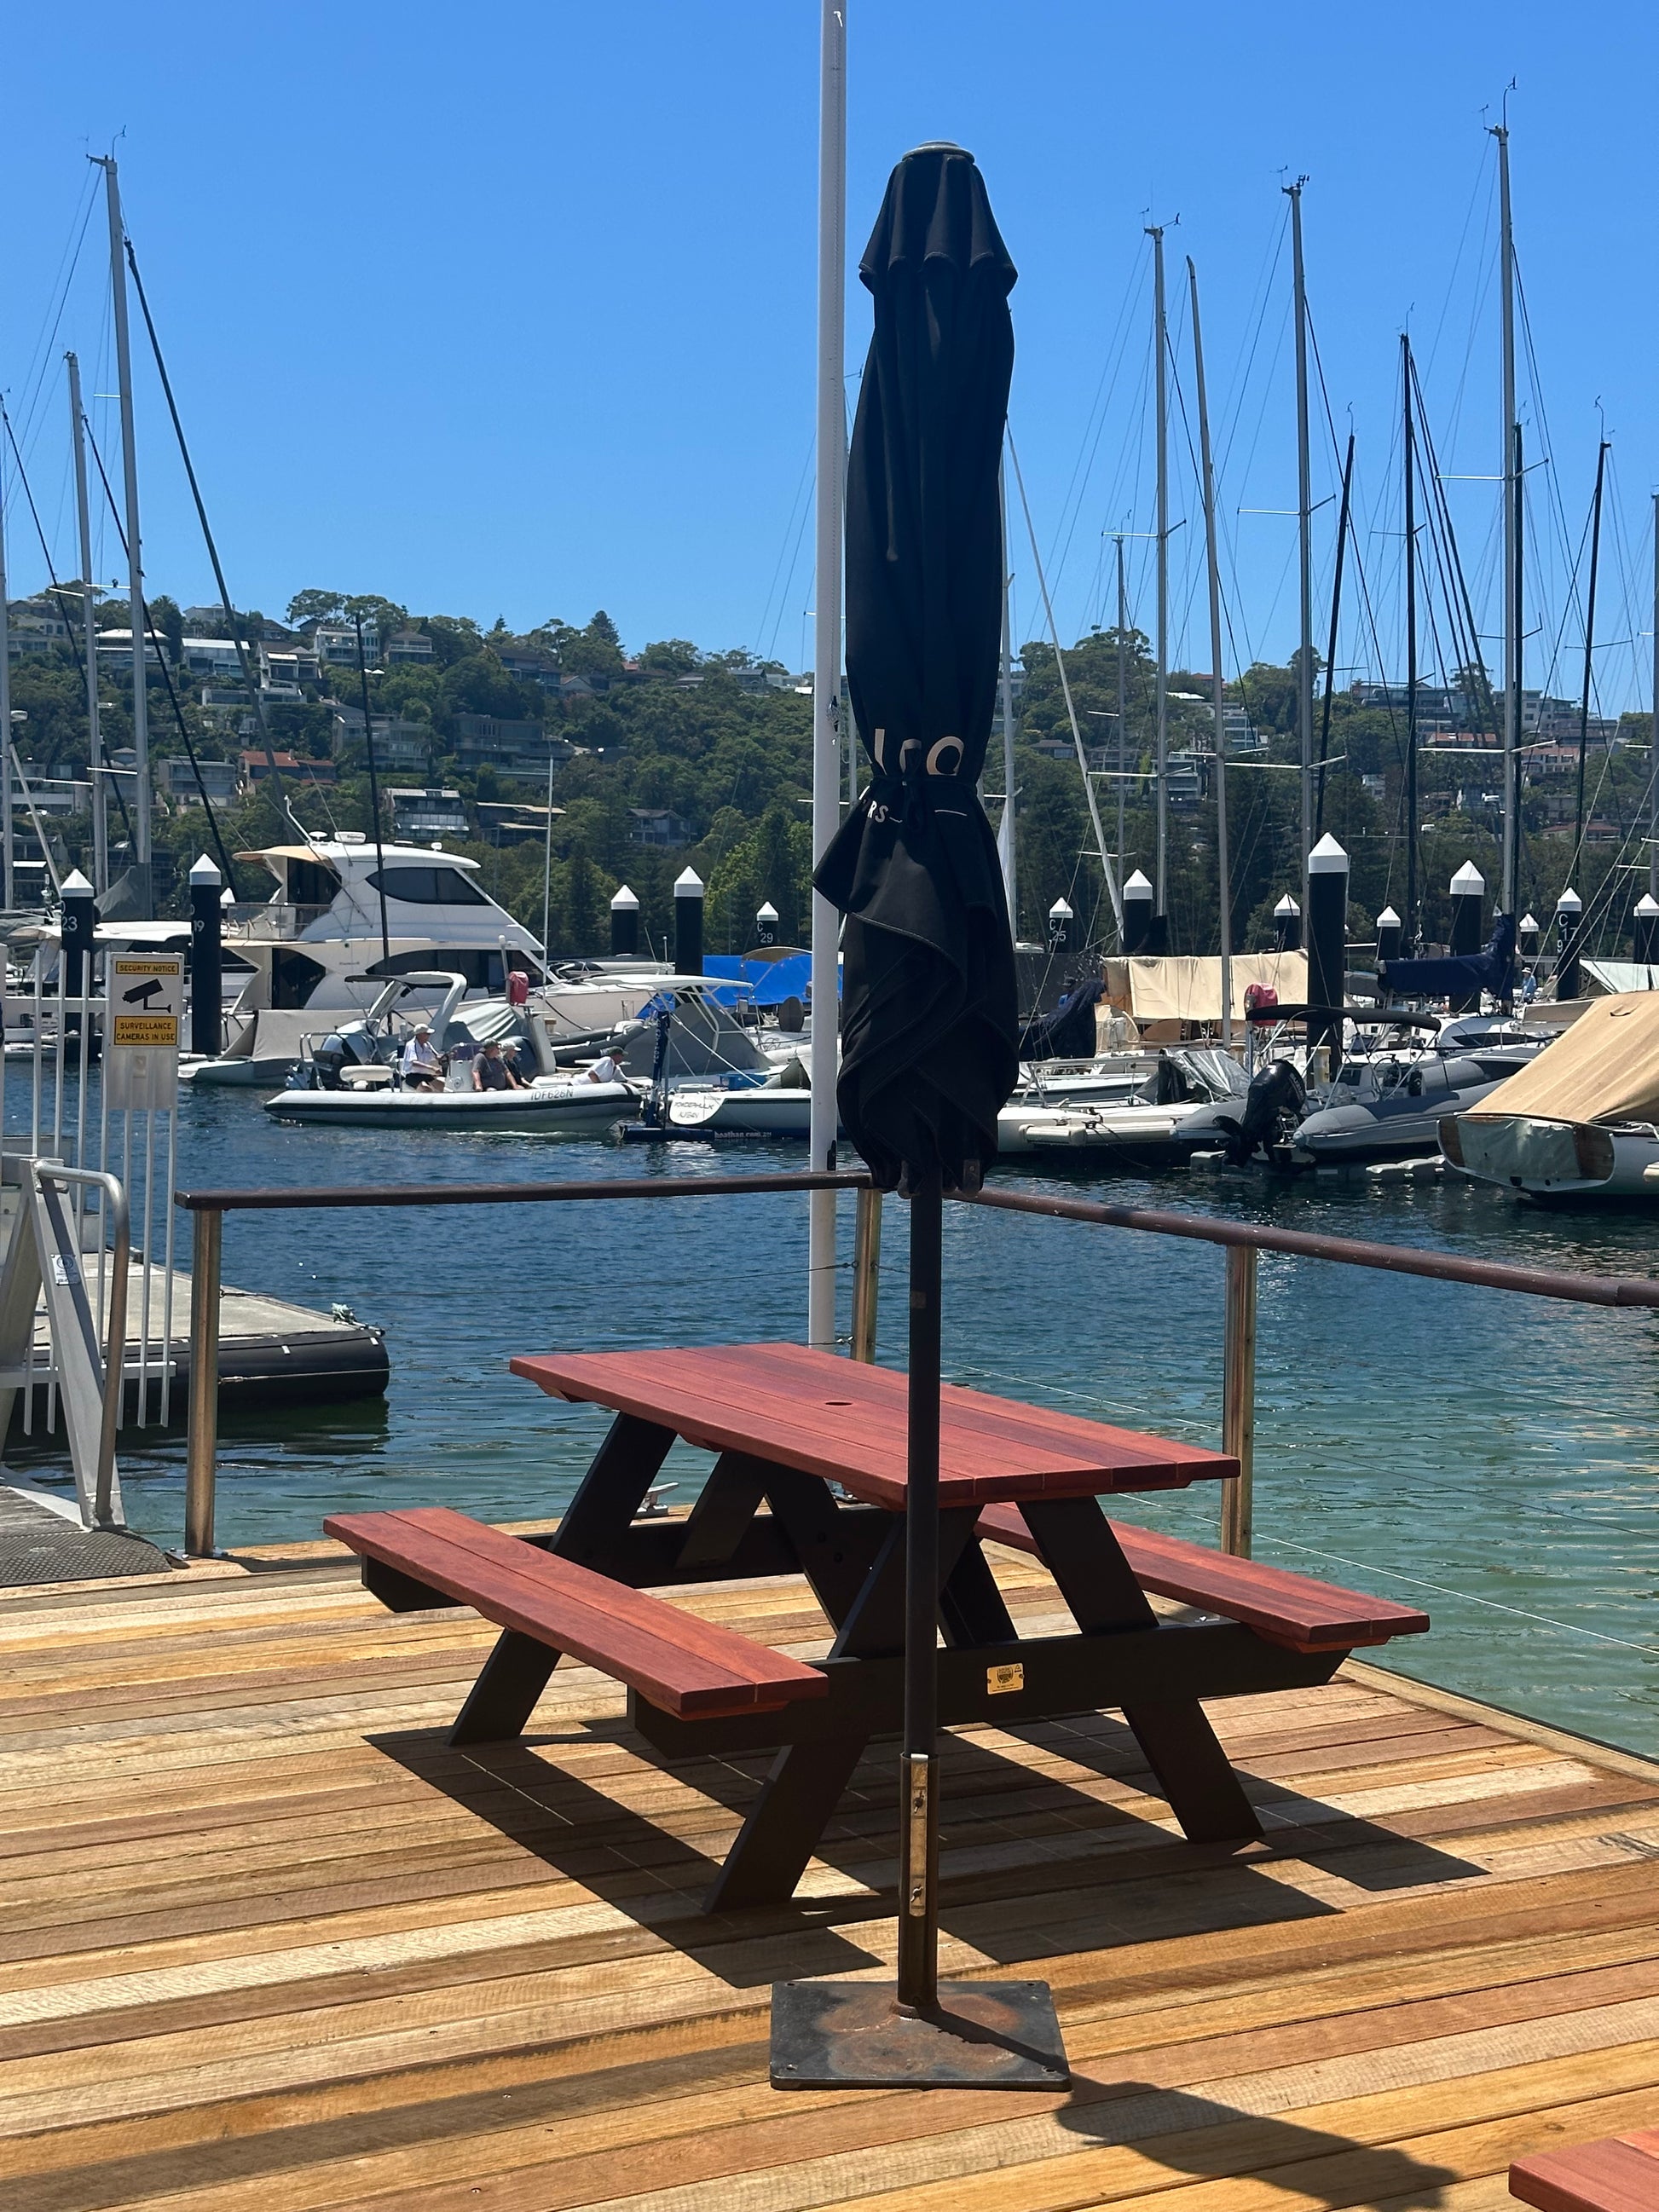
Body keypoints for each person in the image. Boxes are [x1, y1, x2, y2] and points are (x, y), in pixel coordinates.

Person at [400, 1024, 444, 1091]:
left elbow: (437, 1056)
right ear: (419, 1035)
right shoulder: (411, 1045)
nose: (429, 1036)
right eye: (427, 1034)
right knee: (426, 1089)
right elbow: (414, 1063)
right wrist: (432, 1068)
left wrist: (448, 1056)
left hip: (425, 1075)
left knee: (442, 1086)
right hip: (412, 1076)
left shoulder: (427, 1044)